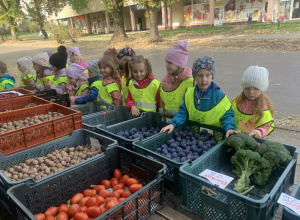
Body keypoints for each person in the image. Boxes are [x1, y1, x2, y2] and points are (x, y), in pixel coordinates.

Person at [160, 56, 238, 138]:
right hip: (194, 137)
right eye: (200, 75)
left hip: (214, 138)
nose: (204, 79)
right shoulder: (189, 94)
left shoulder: (219, 96)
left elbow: (227, 115)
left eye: (207, 75)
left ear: (212, 76)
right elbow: (183, 113)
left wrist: (229, 128)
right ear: (194, 77)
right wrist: (173, 124)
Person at [231, 66, 274, 138]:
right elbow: (228, 116)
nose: (251, 92)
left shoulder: (263, 107)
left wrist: (260, 132)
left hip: (253, 141)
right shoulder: (235, 101)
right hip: (235, 138)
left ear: (262, 89)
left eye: (256, 88)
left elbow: (268, 125)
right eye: (247, 88)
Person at [161, 41, 194, 116]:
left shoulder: (190, 82)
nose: (166, 65)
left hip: (185, 124)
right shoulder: (166, 81)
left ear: (179, 64)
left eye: (169, 63)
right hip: (168, 122)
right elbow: (162, 101)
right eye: (166, 62)